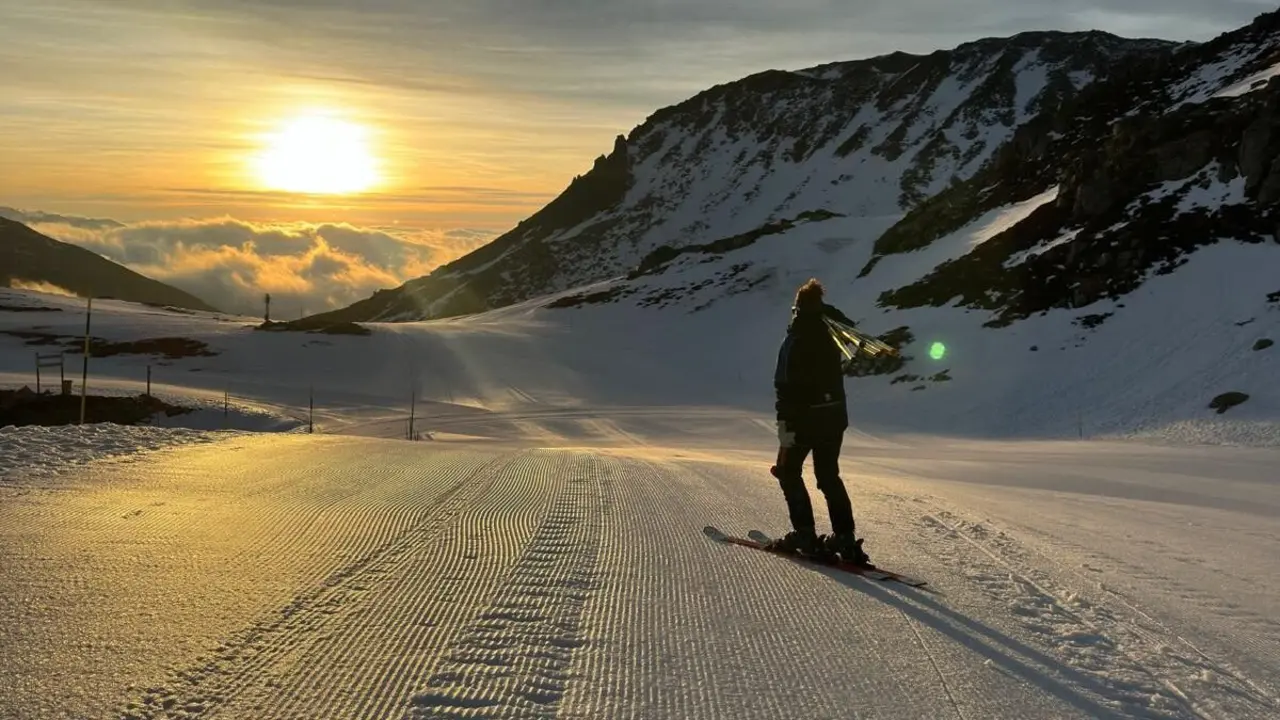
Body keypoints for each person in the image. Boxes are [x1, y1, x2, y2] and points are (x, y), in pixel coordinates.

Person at [766, 278, 871, 565]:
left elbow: (784, 385)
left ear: (798, 307)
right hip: (834, 417)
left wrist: (784, 430)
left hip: (802, 419)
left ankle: (805, 535)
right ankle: (845, 538)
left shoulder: (797, 336)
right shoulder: (832, 330)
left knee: (788, 472)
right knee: (828, 476)